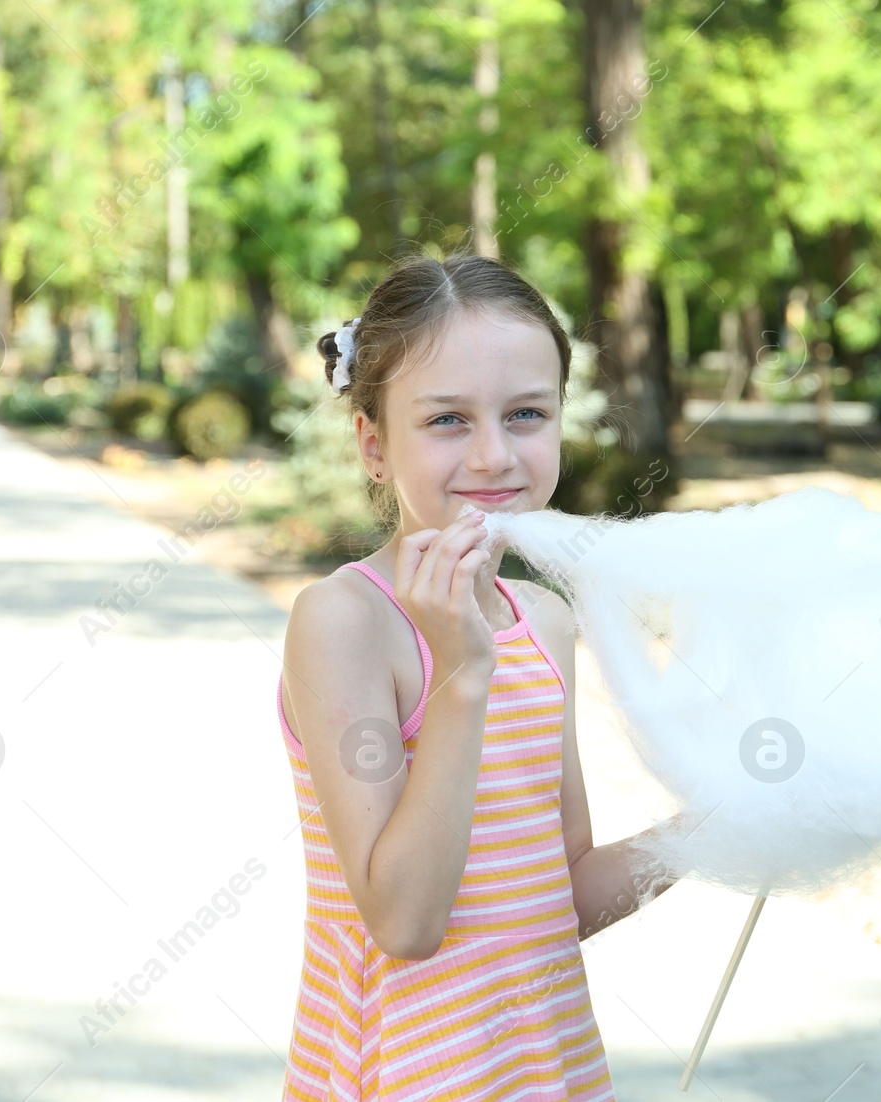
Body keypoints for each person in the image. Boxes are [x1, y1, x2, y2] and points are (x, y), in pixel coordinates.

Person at [277, 250, 681, 1100]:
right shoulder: (346, 623)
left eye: (527, 414)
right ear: (373, 445)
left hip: (543, 1071)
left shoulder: (544, 624)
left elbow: (559, 896)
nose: (495, 455)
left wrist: (721, 827)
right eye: (448, 421)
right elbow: (404, 920)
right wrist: (461, 671)